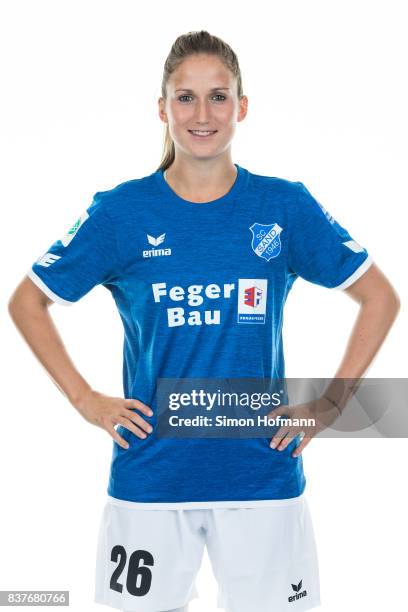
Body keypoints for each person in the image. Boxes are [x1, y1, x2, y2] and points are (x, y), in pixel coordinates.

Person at [8, 30, 400, 612]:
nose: (202, 113)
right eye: (185, 97)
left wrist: (333, 403)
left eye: (218, 96)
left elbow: (380, 297)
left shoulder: (283, 207)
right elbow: (27, 301)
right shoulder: (121, 212)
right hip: (152, 475)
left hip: (262, 473)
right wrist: (85, 399)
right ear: (161, 107)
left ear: (241, 106)